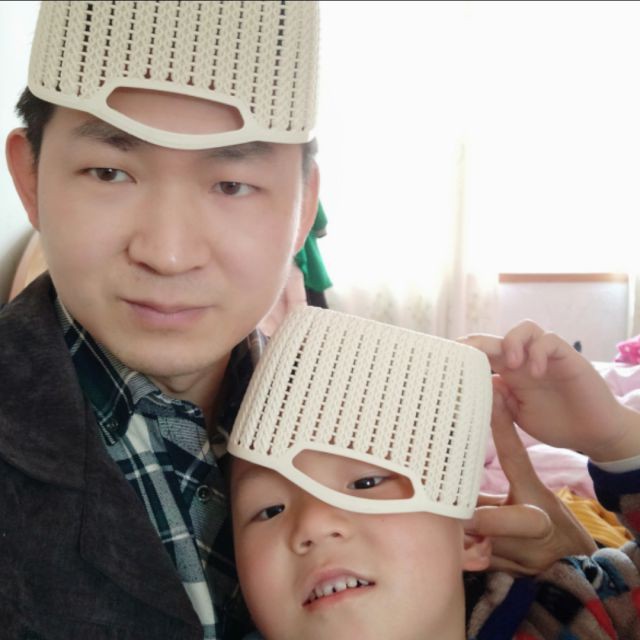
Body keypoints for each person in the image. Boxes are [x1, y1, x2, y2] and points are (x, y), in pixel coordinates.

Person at [0, 2, 595, 639]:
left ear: (304, 206)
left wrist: (554, 568)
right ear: (30, 180)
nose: (168, 254)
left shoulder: (345, 396)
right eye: (109, 172)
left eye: (231, 184)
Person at [228, 309, 640, 640]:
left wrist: (617, 440)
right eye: (269, 510)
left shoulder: (570, 617)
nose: (313, 525)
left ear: (470, 535)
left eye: (366, 483)